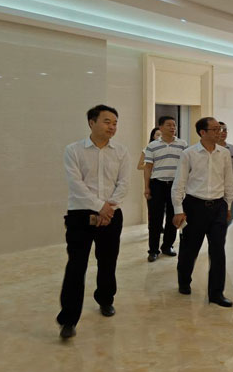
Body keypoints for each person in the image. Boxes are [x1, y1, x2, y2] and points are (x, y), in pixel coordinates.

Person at [57, 105, 130, 339]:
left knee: (108, 261)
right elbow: (76, 184)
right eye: (107, 121)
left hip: (111, 214)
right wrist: (100, 207)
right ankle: (68, 319)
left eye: (115, 123)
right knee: (76, 266)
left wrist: (108, 209)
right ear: (91, 122)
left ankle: (106, 299)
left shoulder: (121, 151)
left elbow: (123, 183)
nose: (112, 127)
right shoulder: (73, 150)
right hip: (80, 215)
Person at [171, 117, 233, 307]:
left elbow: (228, 181)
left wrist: (228, 205)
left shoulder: (224, 153)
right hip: (194, 206)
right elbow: (179, 183)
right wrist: (178, 210)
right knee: (190, 249)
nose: (219, 132)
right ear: (203, 132)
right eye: (215, 129)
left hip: (218, 206)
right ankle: (184, 280)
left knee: (218, 251)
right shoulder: (189, 154)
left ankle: (216, 293)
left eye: (220, 129)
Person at [143, 116, 187, 262]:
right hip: (157, 185)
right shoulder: (152, 146)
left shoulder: (182, 144)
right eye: (169, 125)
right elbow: (148, 167)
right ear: (160, 127)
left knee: (173, 217)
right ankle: (153, 250)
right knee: (155, 219)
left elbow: (187, 166)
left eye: (174, 125)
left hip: (176, 185)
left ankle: (167, 246)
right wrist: (147, 187)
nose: (172, 127)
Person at [218, 121, 233, 227]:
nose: (223, 132)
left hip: (229, 189)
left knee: (229, 216)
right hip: (215, 190)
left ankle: (221, 234)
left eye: (225, 130)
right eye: (220, 130)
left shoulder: (232, 149)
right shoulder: (210, 149)